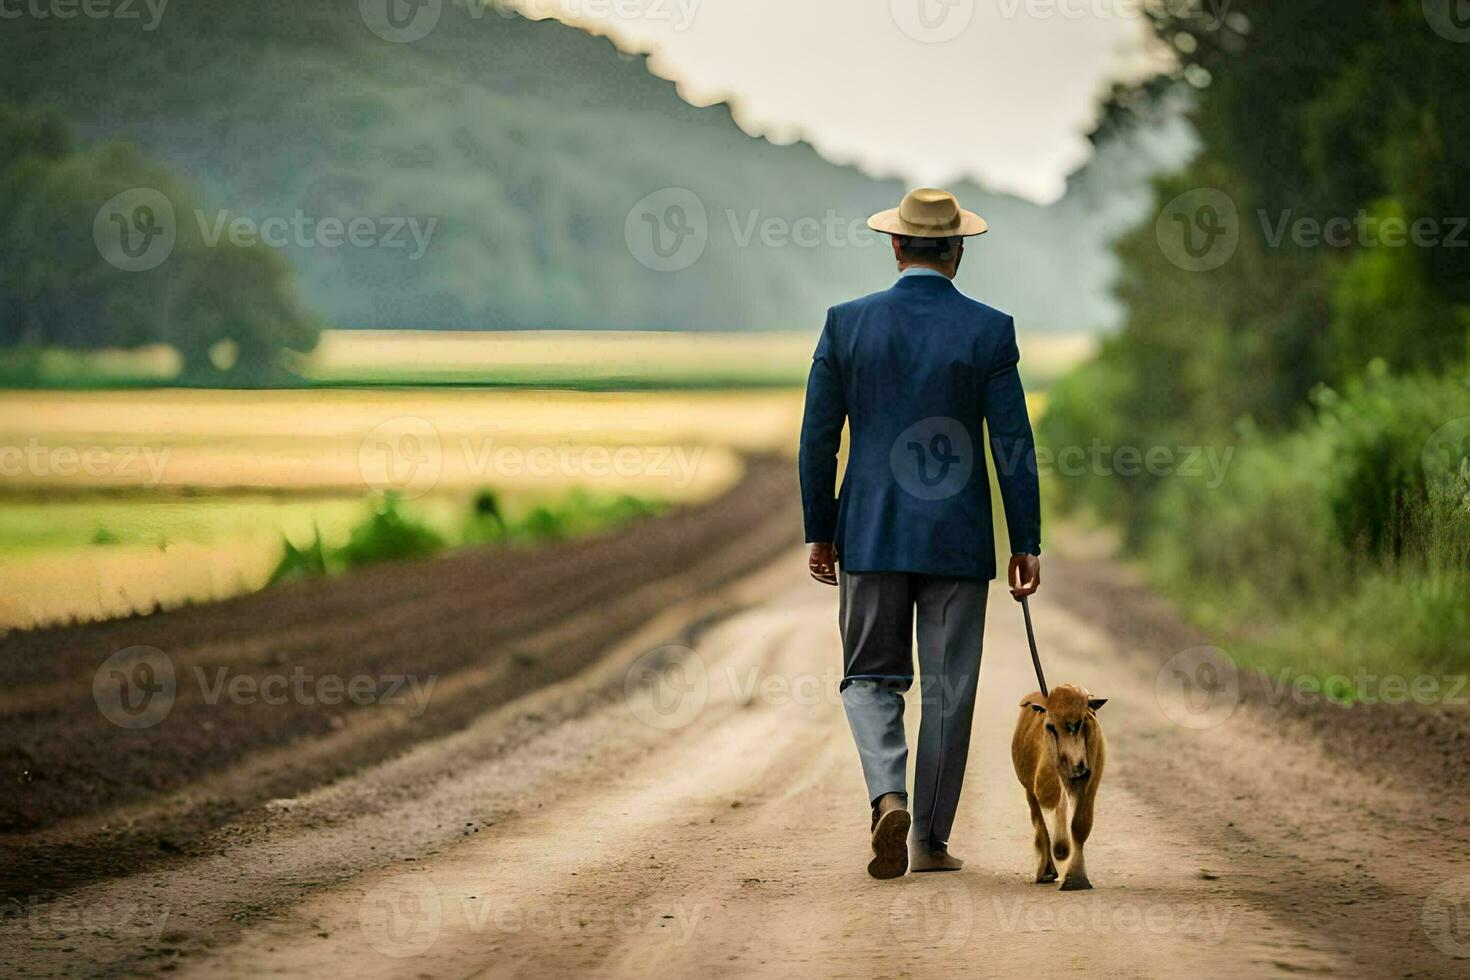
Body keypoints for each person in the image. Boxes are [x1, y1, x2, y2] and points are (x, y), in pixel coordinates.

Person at [798, 187, 1041, 879]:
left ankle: (888, 795)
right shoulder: (990, 330)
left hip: (870, 531)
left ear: (896, 245)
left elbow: (818, 439)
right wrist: (1026, 540)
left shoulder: (846, 325)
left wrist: (821, 528)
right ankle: (929, 842)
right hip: (958, 541)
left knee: (871, 677)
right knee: (949, 689)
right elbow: (1013, 445)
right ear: (958, 251)